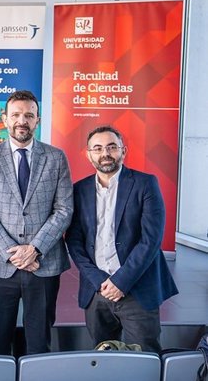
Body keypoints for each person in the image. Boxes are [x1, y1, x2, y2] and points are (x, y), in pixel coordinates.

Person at [0, 89, 73, 355]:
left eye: (29, 115)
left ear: (37, 120)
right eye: (16, 115)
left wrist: (34, 248)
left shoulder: (56, 158)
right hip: (0, 266)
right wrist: (15, 254)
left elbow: (64, 210)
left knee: (39, 343)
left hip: (44, 264)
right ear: (5, 119)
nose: (22, 120)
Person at [66, 126, 178, 353]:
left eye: (111, 147)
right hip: (97, 291)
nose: (104, 153)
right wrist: (99, 280)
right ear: (89, 154)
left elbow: (151, 239)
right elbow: (75, 242)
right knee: (101, 355)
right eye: (97, 148)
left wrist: (120, 282)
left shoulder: (145, 183)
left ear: (123, 151)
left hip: (136, 288)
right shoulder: (79, 190)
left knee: (145, 356)